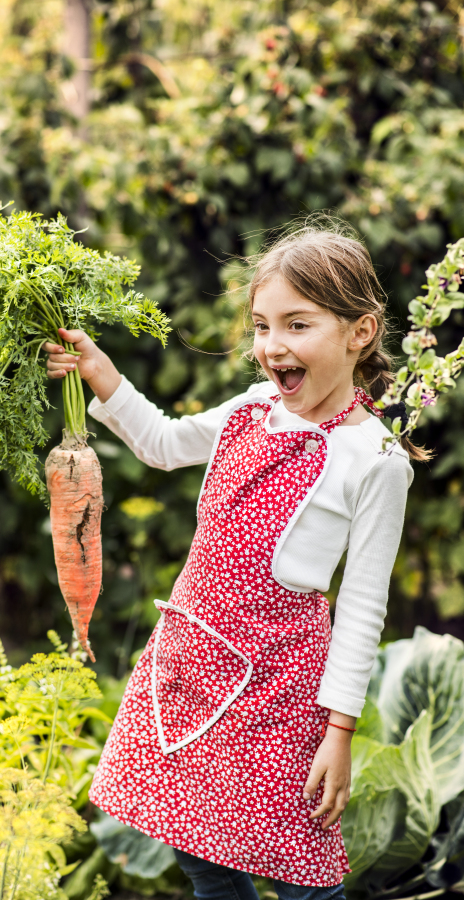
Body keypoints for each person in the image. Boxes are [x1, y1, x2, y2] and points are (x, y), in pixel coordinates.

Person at [43, 224, 423, 900]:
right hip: (195, 661)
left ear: (360, 331)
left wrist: (339, 732)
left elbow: (364, 606)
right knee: (196, 847)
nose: (273, 346)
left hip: (282, 686)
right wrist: (101, 373)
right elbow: (159, 442)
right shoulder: (250, 410)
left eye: (297, 324)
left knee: (299, 866)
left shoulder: (377, 460)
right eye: (262, 325)